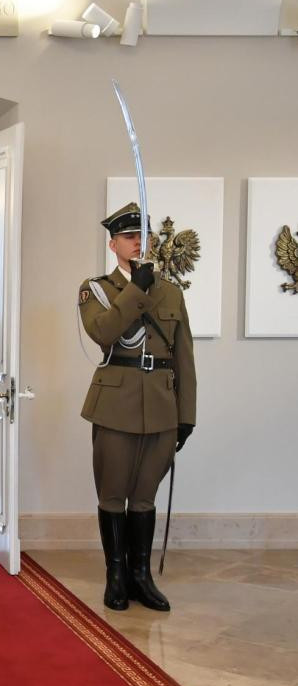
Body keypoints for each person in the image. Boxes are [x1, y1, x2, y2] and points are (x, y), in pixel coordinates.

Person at [78, 202, 196, 612]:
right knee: (113, 495)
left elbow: (184, 357)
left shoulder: (172, 292)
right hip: (115, 405)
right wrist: (136, 290)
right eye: (129, 237)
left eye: (143, 237)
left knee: (144, 497)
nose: (137, 243)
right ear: (113, 244)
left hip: (162, 407)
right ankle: (115, 575)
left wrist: (186, 414)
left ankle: (140, 576)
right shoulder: (95, 289)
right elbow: (104, 332)